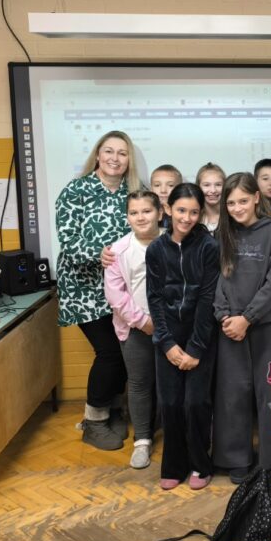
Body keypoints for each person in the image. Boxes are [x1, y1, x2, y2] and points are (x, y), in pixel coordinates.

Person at [55, 130, 143, 450]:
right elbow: (67, 240)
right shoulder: (76, 190)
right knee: (109, 353)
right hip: (83, 290)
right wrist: (98, 254)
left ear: (129, 159)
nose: (114, 158)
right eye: (109, 151)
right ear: (97, 154)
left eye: (122, 153)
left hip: (120, 290)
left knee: (123, 353)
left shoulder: (132, 193)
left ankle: (113, 412)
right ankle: (93, 422)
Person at [213, 172, 271, 482]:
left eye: (243, 201)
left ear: (257, 198)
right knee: (233, 391)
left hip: (264, 323)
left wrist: (248, 318)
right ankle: (236, 458)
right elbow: (217, 280)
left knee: (268, 392)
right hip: (229, 326)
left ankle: (270, 460)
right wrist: (225, 316)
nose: (237, 208)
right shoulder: (223, 233)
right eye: (231, 203)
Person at [146, 183, 221, 490]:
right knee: (171, 403)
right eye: (180, 210)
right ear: (168, 209)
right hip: (167, 337)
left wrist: (195, 348)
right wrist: (167, 344)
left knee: (195, 403)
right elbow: (154, 298)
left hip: (200, 335)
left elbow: (207, 299)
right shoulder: (156, 249)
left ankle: (201, 465)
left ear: (200, 213)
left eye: (193, 212)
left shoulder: (208, 247)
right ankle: (174, 466)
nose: (186, 218)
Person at [103, 190, 162, 469]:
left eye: (146, 211)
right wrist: (143, 322)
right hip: (136, 328)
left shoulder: (174, 241)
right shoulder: (118, 251)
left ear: (160, 213)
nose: (140, 217)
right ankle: (142, 440)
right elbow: (116, 296)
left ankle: (176, 435)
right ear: (127, 217)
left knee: (170, 383)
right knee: (139, 384)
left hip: (172, 327)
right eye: (134, 212)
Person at [150, 164, 183, 230]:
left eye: (170, 185)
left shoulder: (184, 212)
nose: (163, 190)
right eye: (157, 185)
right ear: (151, 188)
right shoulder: (146, 211)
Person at [196, 162, 226, 234]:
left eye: (218, 185)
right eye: (206, 185)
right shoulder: (194, 218)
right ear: (198, 187)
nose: (213, 190)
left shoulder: (232, 216)